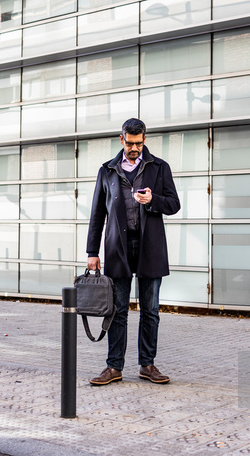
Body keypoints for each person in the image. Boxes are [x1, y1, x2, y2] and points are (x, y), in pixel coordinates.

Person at [86, 118, 181, 386]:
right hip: (118, 247)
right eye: (130, 143)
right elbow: (97, 213)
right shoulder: (108, 170)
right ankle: (114, 367)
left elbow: (174, 204)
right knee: (117, 310)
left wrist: (153, 200)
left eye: (139, 143)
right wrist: (92, 251)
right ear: (121, 139)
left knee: (150, 310)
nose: (135, 148)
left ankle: (147, 365)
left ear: (144, 139)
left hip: (150, 247)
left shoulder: (160, 168)